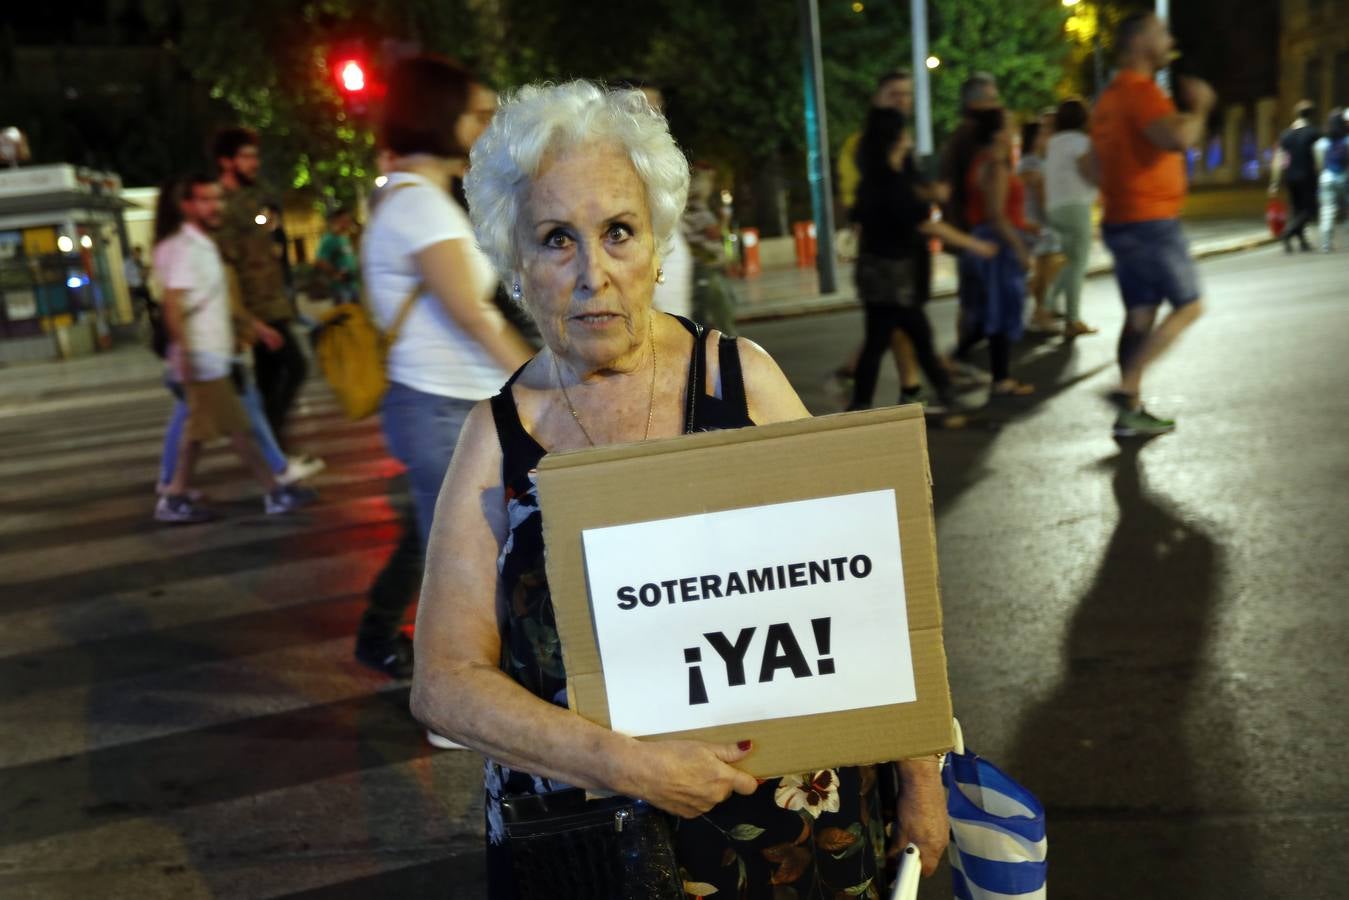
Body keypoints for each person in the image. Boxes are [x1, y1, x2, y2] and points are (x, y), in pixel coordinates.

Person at [417, 79, 948, 898]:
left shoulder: (742, 383)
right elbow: (445, 684)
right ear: (514, 263)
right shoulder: (498, 437)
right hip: (595, 847)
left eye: (618, 232)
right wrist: (626, 764)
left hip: (791, 838)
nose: (593, 272)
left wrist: (920, 778)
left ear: (658, 245)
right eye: (556, 239)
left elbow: (870, 593)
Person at [353, 56, 533, 696]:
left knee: (432, 539)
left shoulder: (418, 198)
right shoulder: (417, 207)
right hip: (438, 408)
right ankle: (454, 700)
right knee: (461, 563)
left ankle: (377, 636)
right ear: (440, 119)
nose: (488, 126)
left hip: (436, 405)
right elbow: (472, 316)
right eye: (478, 113)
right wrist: (538, 382)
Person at [153, 175, 316, 523]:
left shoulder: (202, 245)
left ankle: (174, 494)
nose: (216, 207)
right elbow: (173, 305)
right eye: (205, 200)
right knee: (240, 431)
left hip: (214, 355)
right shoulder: (185, 248)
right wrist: (184, 355)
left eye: (218, 199)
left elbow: (217, 301)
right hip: (202, 359)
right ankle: (274, 491)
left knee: (198, 435)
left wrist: (255, 328)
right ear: (186, 206)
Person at [1088, 12, 1212, 438]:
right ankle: (1125, 389)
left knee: (1140, 317)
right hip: (1151, 222)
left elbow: (1091, 165)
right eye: (1161, 34)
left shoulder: (1107, 101)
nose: (1170, 40)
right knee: (1190, 305)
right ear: (1140, 42)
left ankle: (1130, 414)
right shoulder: (1139, 93)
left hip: (1123, 221)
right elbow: (1177, 138)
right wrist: (1199, 107)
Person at [848, 108, 997, 416]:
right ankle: (941, 395)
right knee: (910, 339)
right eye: (904, 133)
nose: (910, 138)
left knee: (894, 340)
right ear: (895, 140)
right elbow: (926, 224)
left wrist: (930, 194)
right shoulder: (892, 184)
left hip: (878, 275)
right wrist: (975, 244)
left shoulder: (876, 180)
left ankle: (864, 402)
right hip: (896, 278)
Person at [213, 127, 309, 452]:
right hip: (256, 309)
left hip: (273, 301)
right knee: (295, 367)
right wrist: (245, 321)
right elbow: (227, 268)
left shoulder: (254, 197)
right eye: (246, 156)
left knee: (270, 380)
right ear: (226, 161)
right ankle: (272, 444)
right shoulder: (222, 206)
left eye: (255, 155)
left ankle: (274, 447)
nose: (254, 162)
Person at [836, 70, 927, 401]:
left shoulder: (901, 139)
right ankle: (911, 388)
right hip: (885, 249)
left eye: (906, 95)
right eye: (894, 94)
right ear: (878, 99)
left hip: (905, 246)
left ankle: (904, 386)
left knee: (894, 323)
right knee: (899, 321)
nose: (902, 101)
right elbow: (858, 198)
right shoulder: (864, 145)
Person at [952, 108, 1036, 399]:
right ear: (999, 132)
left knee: (991, 311)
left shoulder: (986, 162)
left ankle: (959, 360)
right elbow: (996, 215)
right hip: (996, 245)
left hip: (992, 241)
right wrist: (1019, 246)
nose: (1014, 128)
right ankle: (998, 378)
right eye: (1010, 123)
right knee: (1000, 312)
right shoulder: (994, 166)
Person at [1044, 97, 1100, 338]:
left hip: (1055, 207)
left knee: (1070, 261)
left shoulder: (1054, 143)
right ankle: (1061, 314)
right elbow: (1089, 171)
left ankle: (1058, 312)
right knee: (1077, 265)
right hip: (1076, 208)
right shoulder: (1080, 142)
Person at [1018, 112, 1066, 334]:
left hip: (1037, 222)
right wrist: (1053, 218)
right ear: (1034, 138)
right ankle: (1039, 313)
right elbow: (1041, 194)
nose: (1048, 136)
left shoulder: (1036, 161)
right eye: (1043, 133)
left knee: (1048, 267)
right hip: (1039, 223)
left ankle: (1040, 311)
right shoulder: (1031, 162)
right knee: (1045, 271)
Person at [1270, 101, 1321, 254]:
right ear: (1311, 115)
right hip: (1307, 177)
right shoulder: (1313, 133)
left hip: (1290, 177)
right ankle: (1288, 233)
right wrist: (1320, 172)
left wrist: (1274, 182)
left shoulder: (1285, 135)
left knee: (1297, 209)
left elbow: (1279, 159)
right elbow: (1318, 156)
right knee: (1310, 210)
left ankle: (1302, 242)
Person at [1313, 107, 1348, 252]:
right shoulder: (1346, 141)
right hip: (1344, 178)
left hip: (1326, 177)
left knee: (1327, 211)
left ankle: (1327, 244)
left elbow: (1319, 163)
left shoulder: (1322, 143)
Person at [315, 206, 361, 302]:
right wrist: (335, 273)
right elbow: (320, 260)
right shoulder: (329, 239)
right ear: (336, 220)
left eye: (348, 220)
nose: (348, 223)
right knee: (345, 313)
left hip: (352, 283)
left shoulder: (345, 237)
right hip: (340, 286)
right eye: (345, 221)